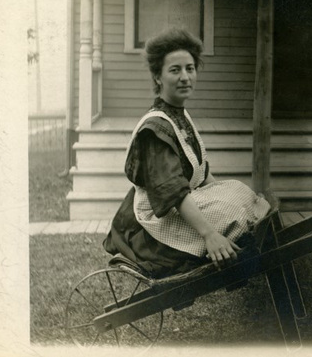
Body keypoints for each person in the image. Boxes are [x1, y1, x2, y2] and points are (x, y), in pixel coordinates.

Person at [103, 28, 271, 278]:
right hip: (153, 226)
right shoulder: (155, 130)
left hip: (179, 206)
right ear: (157, 77)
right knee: (232, 212)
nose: (185, 77)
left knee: (239, 193)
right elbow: (172, 193)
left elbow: (202, 175)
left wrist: (230, 195)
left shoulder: (179, 116)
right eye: (175, 70)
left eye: (190, 68)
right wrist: (211, 234)